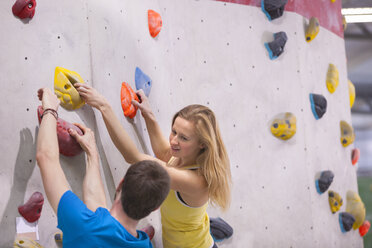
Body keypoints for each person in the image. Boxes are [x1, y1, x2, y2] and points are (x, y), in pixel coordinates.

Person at [74, 83, 232, 248]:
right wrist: (148, 115)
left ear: (202, 144)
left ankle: (214, 229)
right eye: (174, 131)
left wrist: (103, 106)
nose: (174, 140)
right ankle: (212, 226)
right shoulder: (186, 155)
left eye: (184, 138)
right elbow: (164, 153)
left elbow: (132, 156)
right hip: (191, 231)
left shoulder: (195, 181)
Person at [35, 88, 170, 248]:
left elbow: (46, 158)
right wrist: (92, 154)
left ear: (121, 184)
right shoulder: (145, 245)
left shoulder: (81, 224)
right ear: (155, 208)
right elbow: (98, 211)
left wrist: (50, 110)